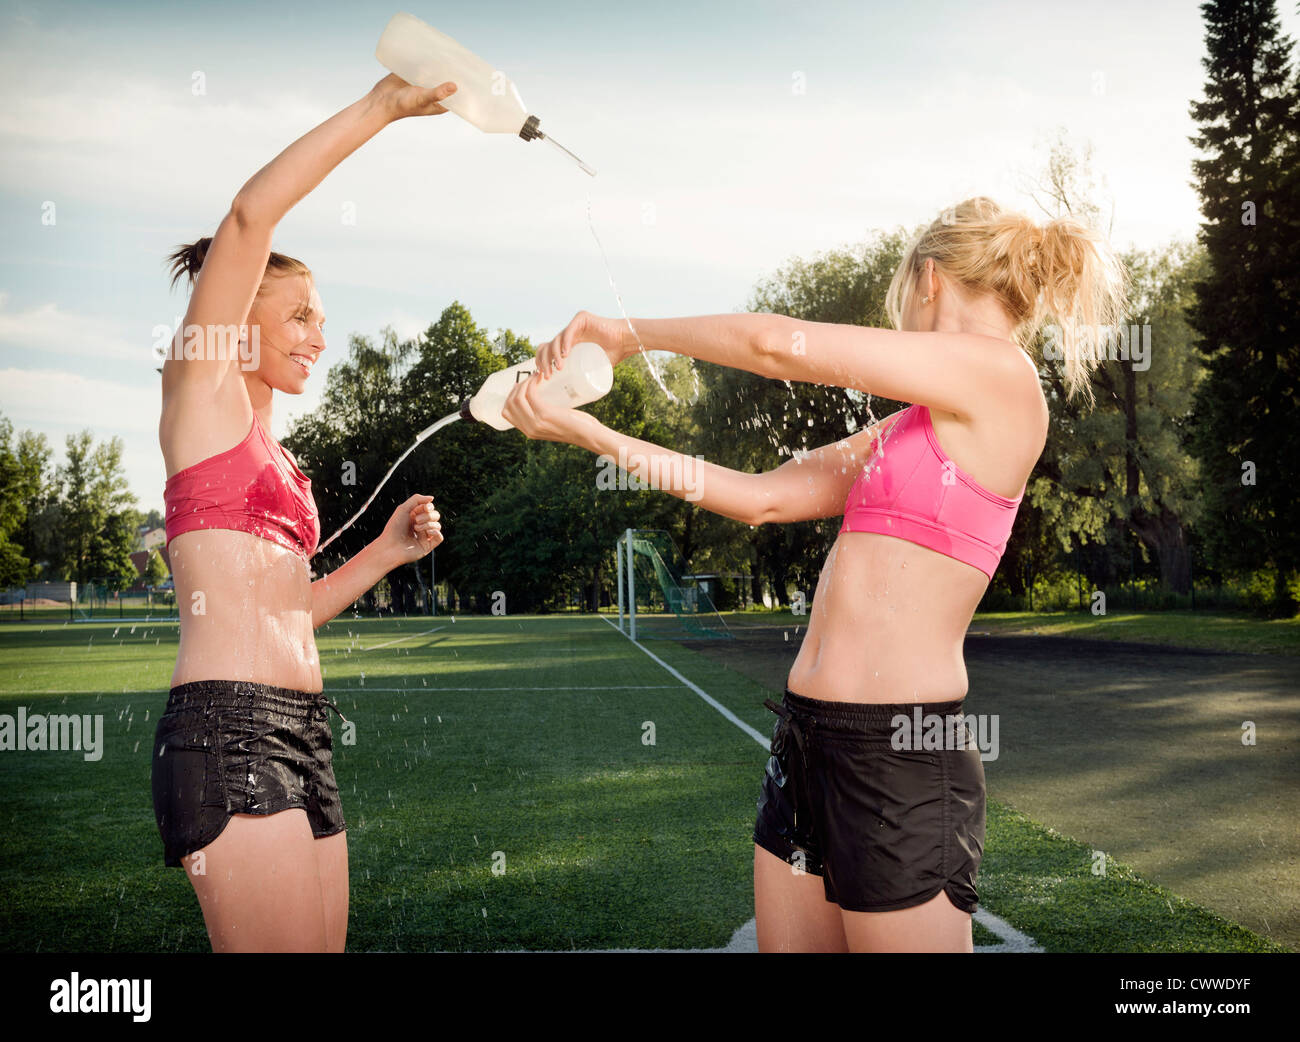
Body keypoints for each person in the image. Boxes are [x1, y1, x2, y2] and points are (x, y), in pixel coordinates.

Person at [501, 196, 1127, 952]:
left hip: (899, 750)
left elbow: (778, 345)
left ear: (927, 279)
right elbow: (762, 498)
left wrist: (626, 334)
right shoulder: (908, 428)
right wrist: (590, 433)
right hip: (807, 738)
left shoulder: (1003, 377)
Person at [152, 74, 453, 952]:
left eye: (322, 317)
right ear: (235, 321)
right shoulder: (200, 391)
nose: (319, 335)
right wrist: (382, 110)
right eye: (300, 315)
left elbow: (290, 613)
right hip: (228, 727)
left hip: (302, 734)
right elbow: (250, 216)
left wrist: (385, 555)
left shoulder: (281, 461)